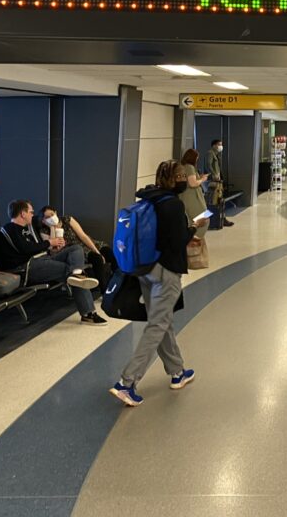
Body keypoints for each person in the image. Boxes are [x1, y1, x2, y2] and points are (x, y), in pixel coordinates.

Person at [110, 160, 205, 407]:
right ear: (174, 178)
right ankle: (126, 382)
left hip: (145, 269)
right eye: (182, 175)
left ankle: (177, 371)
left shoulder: (149, 198)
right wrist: (194, 227)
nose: (185, 179)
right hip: (166, 270)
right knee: (158, 324)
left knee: (163, 321)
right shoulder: (173, 205)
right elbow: (177, 240)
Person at [0, 200, 107, 326]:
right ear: (23, 214)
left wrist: (51, 245)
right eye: (31, 212)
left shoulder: (24, 229)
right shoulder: (10, 229)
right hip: (28, 267)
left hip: (41, 259)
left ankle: (77, 272)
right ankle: (88, 313)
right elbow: (25, 249)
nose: (33, 215)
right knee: (68, 271)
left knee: (76, 249)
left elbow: (34, 247)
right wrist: (50, 243)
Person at [39, 204, 110, 292]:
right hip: (75, 251)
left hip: (86, 244)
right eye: (47, 217)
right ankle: (105, 292)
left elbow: (83, 236)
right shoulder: (44, 231)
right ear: (43, 221)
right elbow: (53, 249)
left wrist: (96, 251)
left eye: (52, 214)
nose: (51, 218)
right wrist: (52, 228)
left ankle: (121, 284)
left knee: (108, 252)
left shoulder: (67, 219)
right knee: (97, 259)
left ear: (56, 213)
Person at [179, 148, 209, 242]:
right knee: (203, 217)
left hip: (192, 196)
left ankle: (195, 237)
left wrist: (199, 177)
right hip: (192, 197)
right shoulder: (189, 167)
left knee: (201, 217)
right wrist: (202, 180)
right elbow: (192, 183)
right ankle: (195, 238)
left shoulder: (184, 166)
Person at [204, 138, 234, 227]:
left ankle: (222, 219)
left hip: (217, 180)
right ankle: (206, 220)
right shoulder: (210, 153)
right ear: (214, 145)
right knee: (212, 202)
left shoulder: (217, 155)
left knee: (219, 201)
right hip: (213, 181)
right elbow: (208, 165)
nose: (220, 146)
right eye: (219, 144)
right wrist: (214, 174)